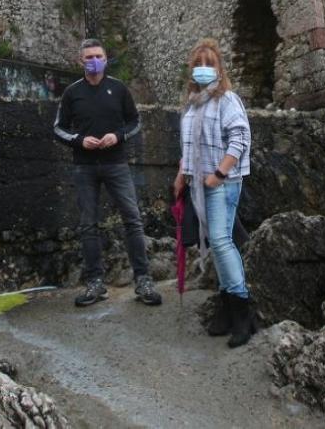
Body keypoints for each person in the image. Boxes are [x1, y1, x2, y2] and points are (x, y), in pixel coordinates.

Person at [54, 38, 162, 307]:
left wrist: (118, 135)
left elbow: (135, 121)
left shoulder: (118, 88)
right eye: (88, 57)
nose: (93, 61)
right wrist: (79, 140)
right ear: (81, 61)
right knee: (88, 224)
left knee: (133, 220)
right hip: (84, 167)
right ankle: (94, 282)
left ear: (105, 58)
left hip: (116, 164)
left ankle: (143, 280)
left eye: (98, 56)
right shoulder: (72, 93)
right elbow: (58, 127)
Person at [171, 38, 255, 348]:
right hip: (198, 185)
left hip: (223, 181)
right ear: (191, 71)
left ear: (219, 69)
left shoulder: (227, 100)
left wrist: (219, 174)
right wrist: (182, 175)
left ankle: (242, 311)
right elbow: (188, 148)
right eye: (198, 64)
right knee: (215, 242)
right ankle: (225, 304)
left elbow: (240, 138)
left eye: (210, 63)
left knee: (220, 241)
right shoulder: (193, 103)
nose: (204, 69)